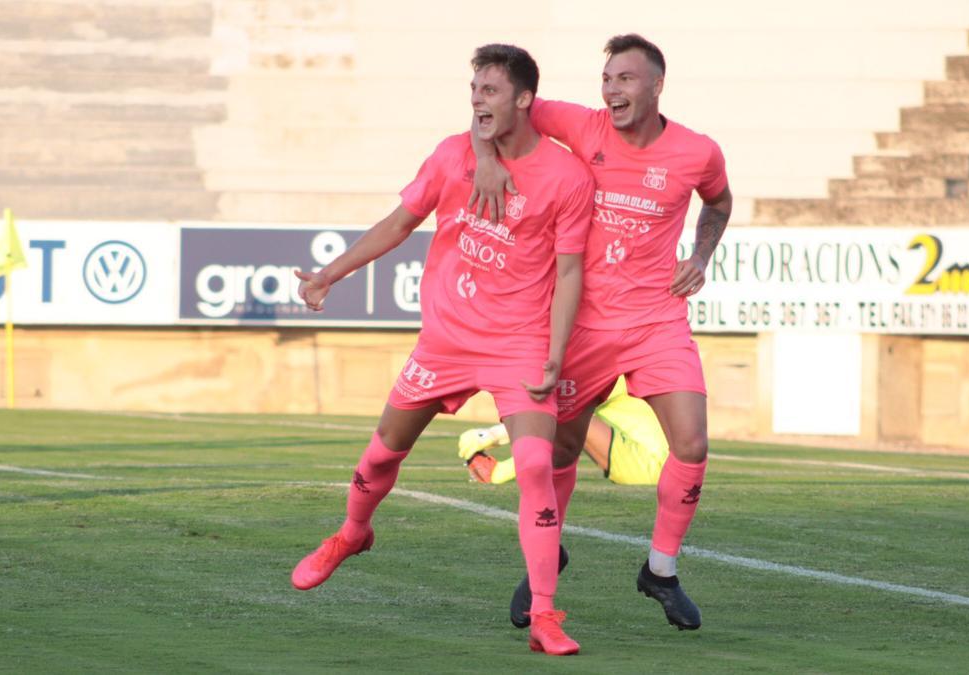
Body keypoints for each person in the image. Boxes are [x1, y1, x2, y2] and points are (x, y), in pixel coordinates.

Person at [291, 44, 595, 656]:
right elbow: (397, 224)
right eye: (474, 89)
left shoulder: (567, 177)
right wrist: (330, 274)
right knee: (382, 454)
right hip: (448, 340)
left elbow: (568, 274)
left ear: (524, 99)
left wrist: (556, 353)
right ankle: (352, 533)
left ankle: (544, 615)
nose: (478, 99)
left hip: (519, 345)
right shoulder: (452, 153)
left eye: (491, 90)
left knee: (535, 466)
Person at [470, 34, 733, 631]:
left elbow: (718, 202)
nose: (611, 89)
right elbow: (497, 107)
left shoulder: (698, 151)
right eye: (608, 78)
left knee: (691, 445)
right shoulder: (583, 126)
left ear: (657, 85)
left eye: (625, 78)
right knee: (560, 449)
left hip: (656, 320)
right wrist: (485, 158)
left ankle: (660, 571)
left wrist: (702, 252)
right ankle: (548, 557)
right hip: (583, 325)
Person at [458, 377, 669, 486]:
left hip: (648, 466)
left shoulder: (613, 371)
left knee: (568, 411)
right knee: (568, 412)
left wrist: (492, 435)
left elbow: (557, 413)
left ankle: (499, 473)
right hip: (651, 464)